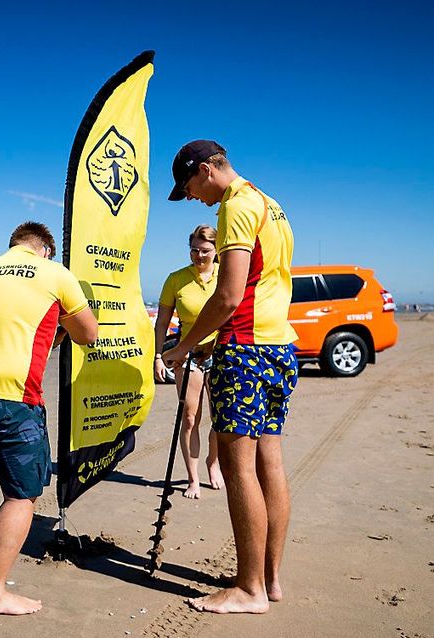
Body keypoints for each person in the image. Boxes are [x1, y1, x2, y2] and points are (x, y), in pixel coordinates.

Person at [162, 140, 298, 615]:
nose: (193, 197)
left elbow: (227, 295)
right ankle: (270, 579)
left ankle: (249, 588)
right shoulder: (270, 202)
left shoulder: (235, 207)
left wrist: (183, 346)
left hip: (244, 349)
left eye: (189, 186)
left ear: (204, 170)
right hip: (281, 345)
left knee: (240, 468)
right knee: (270, 464)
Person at [0, 221, 98, 615]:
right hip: (12, 392)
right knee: (21, 494)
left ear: (12, 245)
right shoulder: (54, 273)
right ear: (45, 249)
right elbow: (88, 334)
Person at [154, 224, 224, 499]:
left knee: (220, 419)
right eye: (194, 249)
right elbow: (161, 322)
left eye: (205, 250)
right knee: (190, 417)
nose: (198, 255)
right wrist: (159, 356)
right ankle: (193, 478)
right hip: (188, 354)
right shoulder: (176, 279)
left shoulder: (227, 274)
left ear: (216, 250)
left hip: (221, 354)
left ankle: (213, 462)